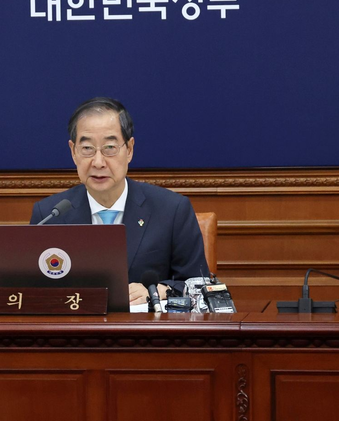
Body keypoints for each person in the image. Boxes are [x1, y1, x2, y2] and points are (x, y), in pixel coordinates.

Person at [30, 97, 208, 305]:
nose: (98, 162)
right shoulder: (49, 215)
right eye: (87, 149)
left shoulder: (172, 210)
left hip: (147, 334)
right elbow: (34, 292)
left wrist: (161, 291)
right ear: (73, 152)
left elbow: (200, 286)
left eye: (110, 148)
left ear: (129, 149)